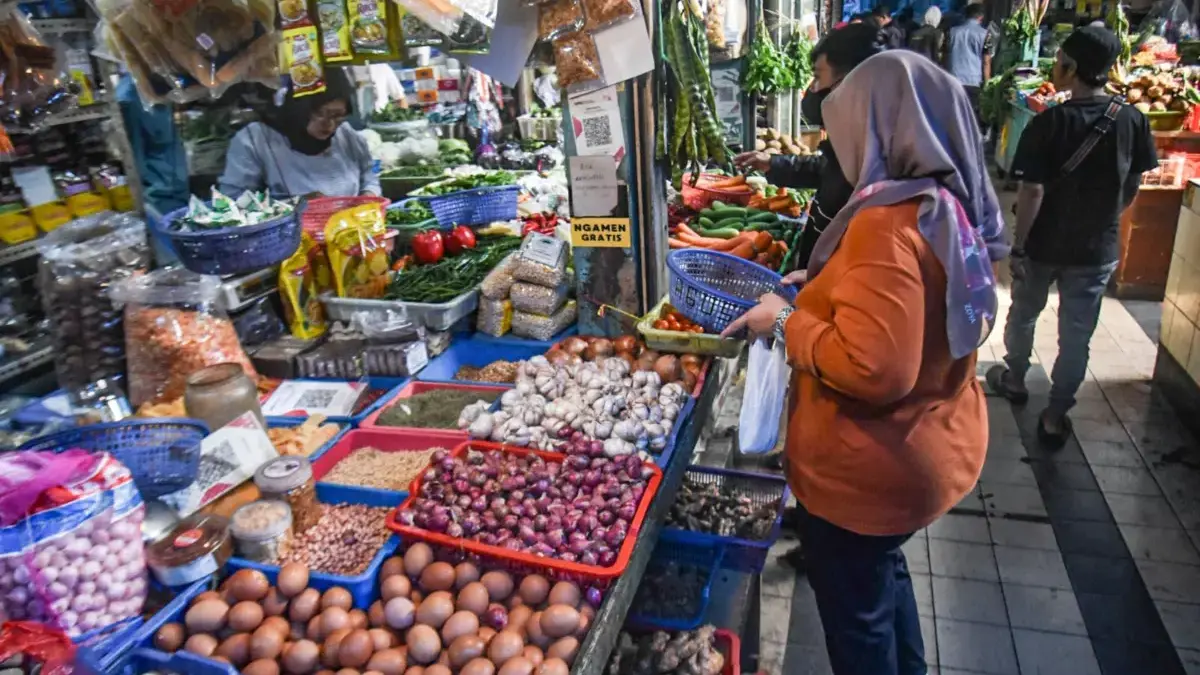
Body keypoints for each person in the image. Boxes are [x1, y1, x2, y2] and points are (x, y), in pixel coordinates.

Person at [722, 50, 1004, 675]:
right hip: (924, 449)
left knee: (858, 621)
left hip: (868, 473)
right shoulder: (938, 201)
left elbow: (878, 369)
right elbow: (911, 312)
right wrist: (823, 285)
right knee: (883, 583)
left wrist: (789, 322)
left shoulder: (886, 224)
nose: (836, 144)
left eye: (844, 126)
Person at [987, 26, 1158, 446]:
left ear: (1072, 67)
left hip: (1044, 241)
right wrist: (1102, 218)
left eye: (1060, 59)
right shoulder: (1133, 120)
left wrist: (1021, 245)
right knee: (1077, 331)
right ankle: (1055, 413)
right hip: (1096, 247)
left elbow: (1032, 191)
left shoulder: (1051, 122)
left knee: (1025, 312)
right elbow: (1132, 185)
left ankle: (1015, 377)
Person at [733, 24, 881, 270]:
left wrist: (781, 311)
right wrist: (772, 163)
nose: (813, 89)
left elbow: (855, 297)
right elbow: (827, 169)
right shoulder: (853, 146)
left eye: (819, 76)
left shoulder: (883, 182)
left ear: (852, 83)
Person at [218, 68, 380, 199]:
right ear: (300, 108)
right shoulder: (255, 141)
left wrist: (369, 195)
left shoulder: (346, 135)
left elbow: (369, 174)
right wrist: (295, 205)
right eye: (320, 113)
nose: (329, 124)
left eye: (338, 115)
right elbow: (232, 200)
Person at [945, 3, 992, 124]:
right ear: (981, 17)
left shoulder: (952, 32)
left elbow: (946, 55)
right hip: (973, 81)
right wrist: (987, 84)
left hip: (954, 79)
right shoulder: (985, 34)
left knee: (954, 115)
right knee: (969, 117)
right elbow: (986, 62)